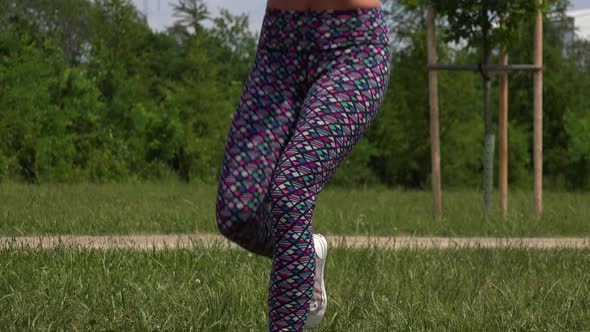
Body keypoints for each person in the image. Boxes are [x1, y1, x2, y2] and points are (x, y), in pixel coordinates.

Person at [215, 0, 391, 330]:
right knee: (236, 213)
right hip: (280, 49)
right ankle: (305, 253)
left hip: (352, 47)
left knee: (289, 191)